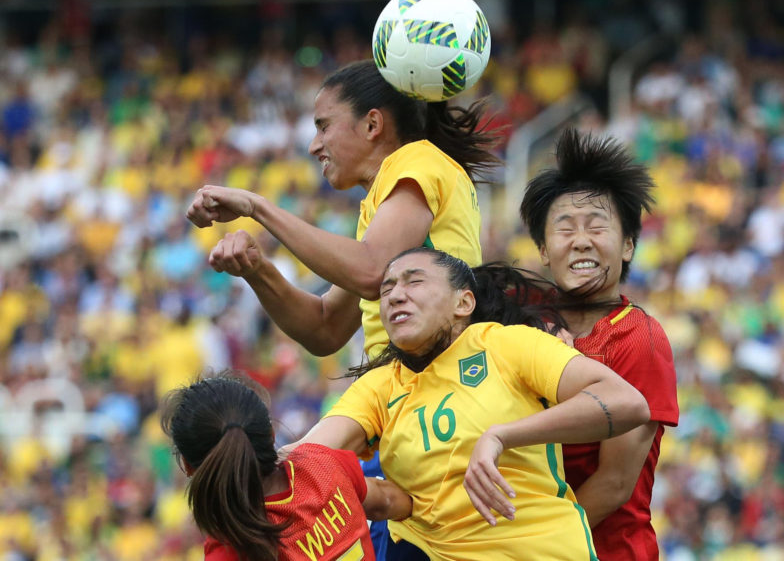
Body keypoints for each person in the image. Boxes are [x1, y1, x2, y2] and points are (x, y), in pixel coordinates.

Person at [289, 248, 651, 560]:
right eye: (387, 289)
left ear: (463, 303)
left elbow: (626, 402)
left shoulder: (506, 345)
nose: (396, 296)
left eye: (414, 282)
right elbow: (304, 459)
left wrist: (502, 436)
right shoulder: (379, 387)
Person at [185, 59, 498, 360]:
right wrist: (257, 270)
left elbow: (372, 271)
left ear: (372, 124)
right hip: (400, 387)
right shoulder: (385, 200)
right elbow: (325, 328)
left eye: (324, 126)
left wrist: (258, 207)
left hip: (437, 385)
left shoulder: (418, 162)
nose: (314, 145)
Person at [519, 127, 680, 560]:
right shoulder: (519, 323)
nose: (581, 240)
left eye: (597, 227)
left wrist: (528, 550)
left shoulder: (639, 338)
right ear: (542, 249)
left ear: (627, 246)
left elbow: (613, 484)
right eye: (564, 228)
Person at [160, 372, 412, 561]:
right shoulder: (322, 464)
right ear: (271, 433)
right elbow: (390, 501)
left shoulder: (230, 546)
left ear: (188, 467)